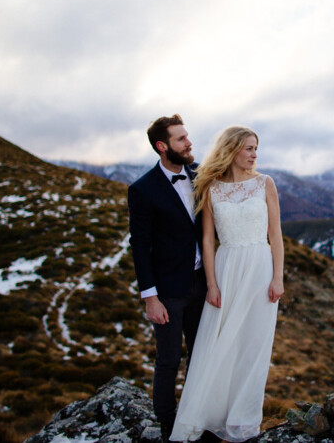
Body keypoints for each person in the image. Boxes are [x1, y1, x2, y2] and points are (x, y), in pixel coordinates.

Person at [170, 126, 285, 442]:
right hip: (226, 266)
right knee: (220, 344)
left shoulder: (266, 184)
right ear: (232, 149)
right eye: (248, 148)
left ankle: (243, 422)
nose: (254, 155)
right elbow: (207, 240)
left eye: (255, 149)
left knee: (253, 345)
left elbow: (275, 235)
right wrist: (212, 283)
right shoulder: (211, 187)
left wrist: (278, 277)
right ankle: (208, 416)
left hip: (260, 268)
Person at [128, 115, 210, 443]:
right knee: (169, 359)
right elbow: (140, 246)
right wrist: (150, 297)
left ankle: (194, 417)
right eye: (181, 139)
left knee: (201, 353)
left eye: (188, 137)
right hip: (167, 292)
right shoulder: (143, 190)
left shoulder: (199, 173)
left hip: (202, 282)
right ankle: (167, 425)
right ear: (163, 147)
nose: (189, 143)